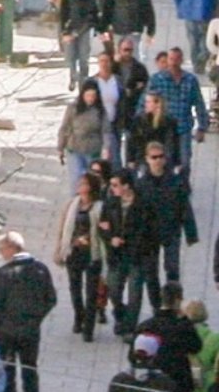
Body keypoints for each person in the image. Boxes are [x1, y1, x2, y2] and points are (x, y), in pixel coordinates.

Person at [0, 230, 58, 392]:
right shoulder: (40, 269)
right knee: (30, 373)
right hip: (31, 332)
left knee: (7, 375)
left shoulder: (3, 274)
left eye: (2, 249)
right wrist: (36, 318)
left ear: (12, 249)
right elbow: (51, 299)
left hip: (7, 333)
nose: (1, 253)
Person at [137, 138, 200, 301]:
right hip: (150, 233)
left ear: (165, 158)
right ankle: (157, 305)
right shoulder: (141, 184)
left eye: (160, 156)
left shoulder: (175, 181)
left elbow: (185, 207)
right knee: (151, 273)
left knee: (172, 270)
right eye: (153, 157)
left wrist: (191, 233)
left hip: (171, 230)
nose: (157, 160)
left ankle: (173, 302)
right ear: (147, 159)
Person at [60, 172, 106, 338]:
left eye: (84, 184)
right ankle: (79, 316)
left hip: (92, 253)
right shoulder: (73, 204)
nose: (80, 187)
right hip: (74, 251)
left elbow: (102, 230)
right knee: (75, 288)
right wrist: (62, 247)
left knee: (92, 291)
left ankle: (89, 327)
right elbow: (64, 227)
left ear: (91, 187)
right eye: (80, 184)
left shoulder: (99, 207)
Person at [102, 174, 146, 340]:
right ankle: (120, 314)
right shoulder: (111, 203)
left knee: (135, 293)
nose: (112, 189)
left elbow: (149, 229)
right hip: (116, 255)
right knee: (113, 290)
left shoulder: (142, 204)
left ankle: (130, 328)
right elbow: (102, 226)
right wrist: (110, 237)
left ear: (127, 186)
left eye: (115, 185)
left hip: (136, 255)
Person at [152, 49, 212, 159]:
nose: (173, 63)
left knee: (184, 161)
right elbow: (145, 102)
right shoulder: (157, 79)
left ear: (181, 60)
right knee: (167, 161)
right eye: (171, 59)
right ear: (167, 60)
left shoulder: (190, 80)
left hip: (184, 127)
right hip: (164, 129)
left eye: (177, 59)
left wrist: (202, 127)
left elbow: (199, 104)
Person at [63, 0, 112, 89]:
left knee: (84, 56)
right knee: (71, 56)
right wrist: (64, 31)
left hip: (86, 28)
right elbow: (64, 12)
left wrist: (101, 30)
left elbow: (96, 13)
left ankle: (83, 81)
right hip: (71, 27)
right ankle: (73, 76)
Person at [61, 84, 109, 186]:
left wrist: (106, 147)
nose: (90, 99)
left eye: (93, 96)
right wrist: (60, 147)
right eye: (88, 95)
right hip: (74, 147)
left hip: (93, 149)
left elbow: (106, 130)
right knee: (77, 180)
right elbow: (65, 127)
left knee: (93, 180)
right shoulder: (73, 108)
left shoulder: (100, 110)